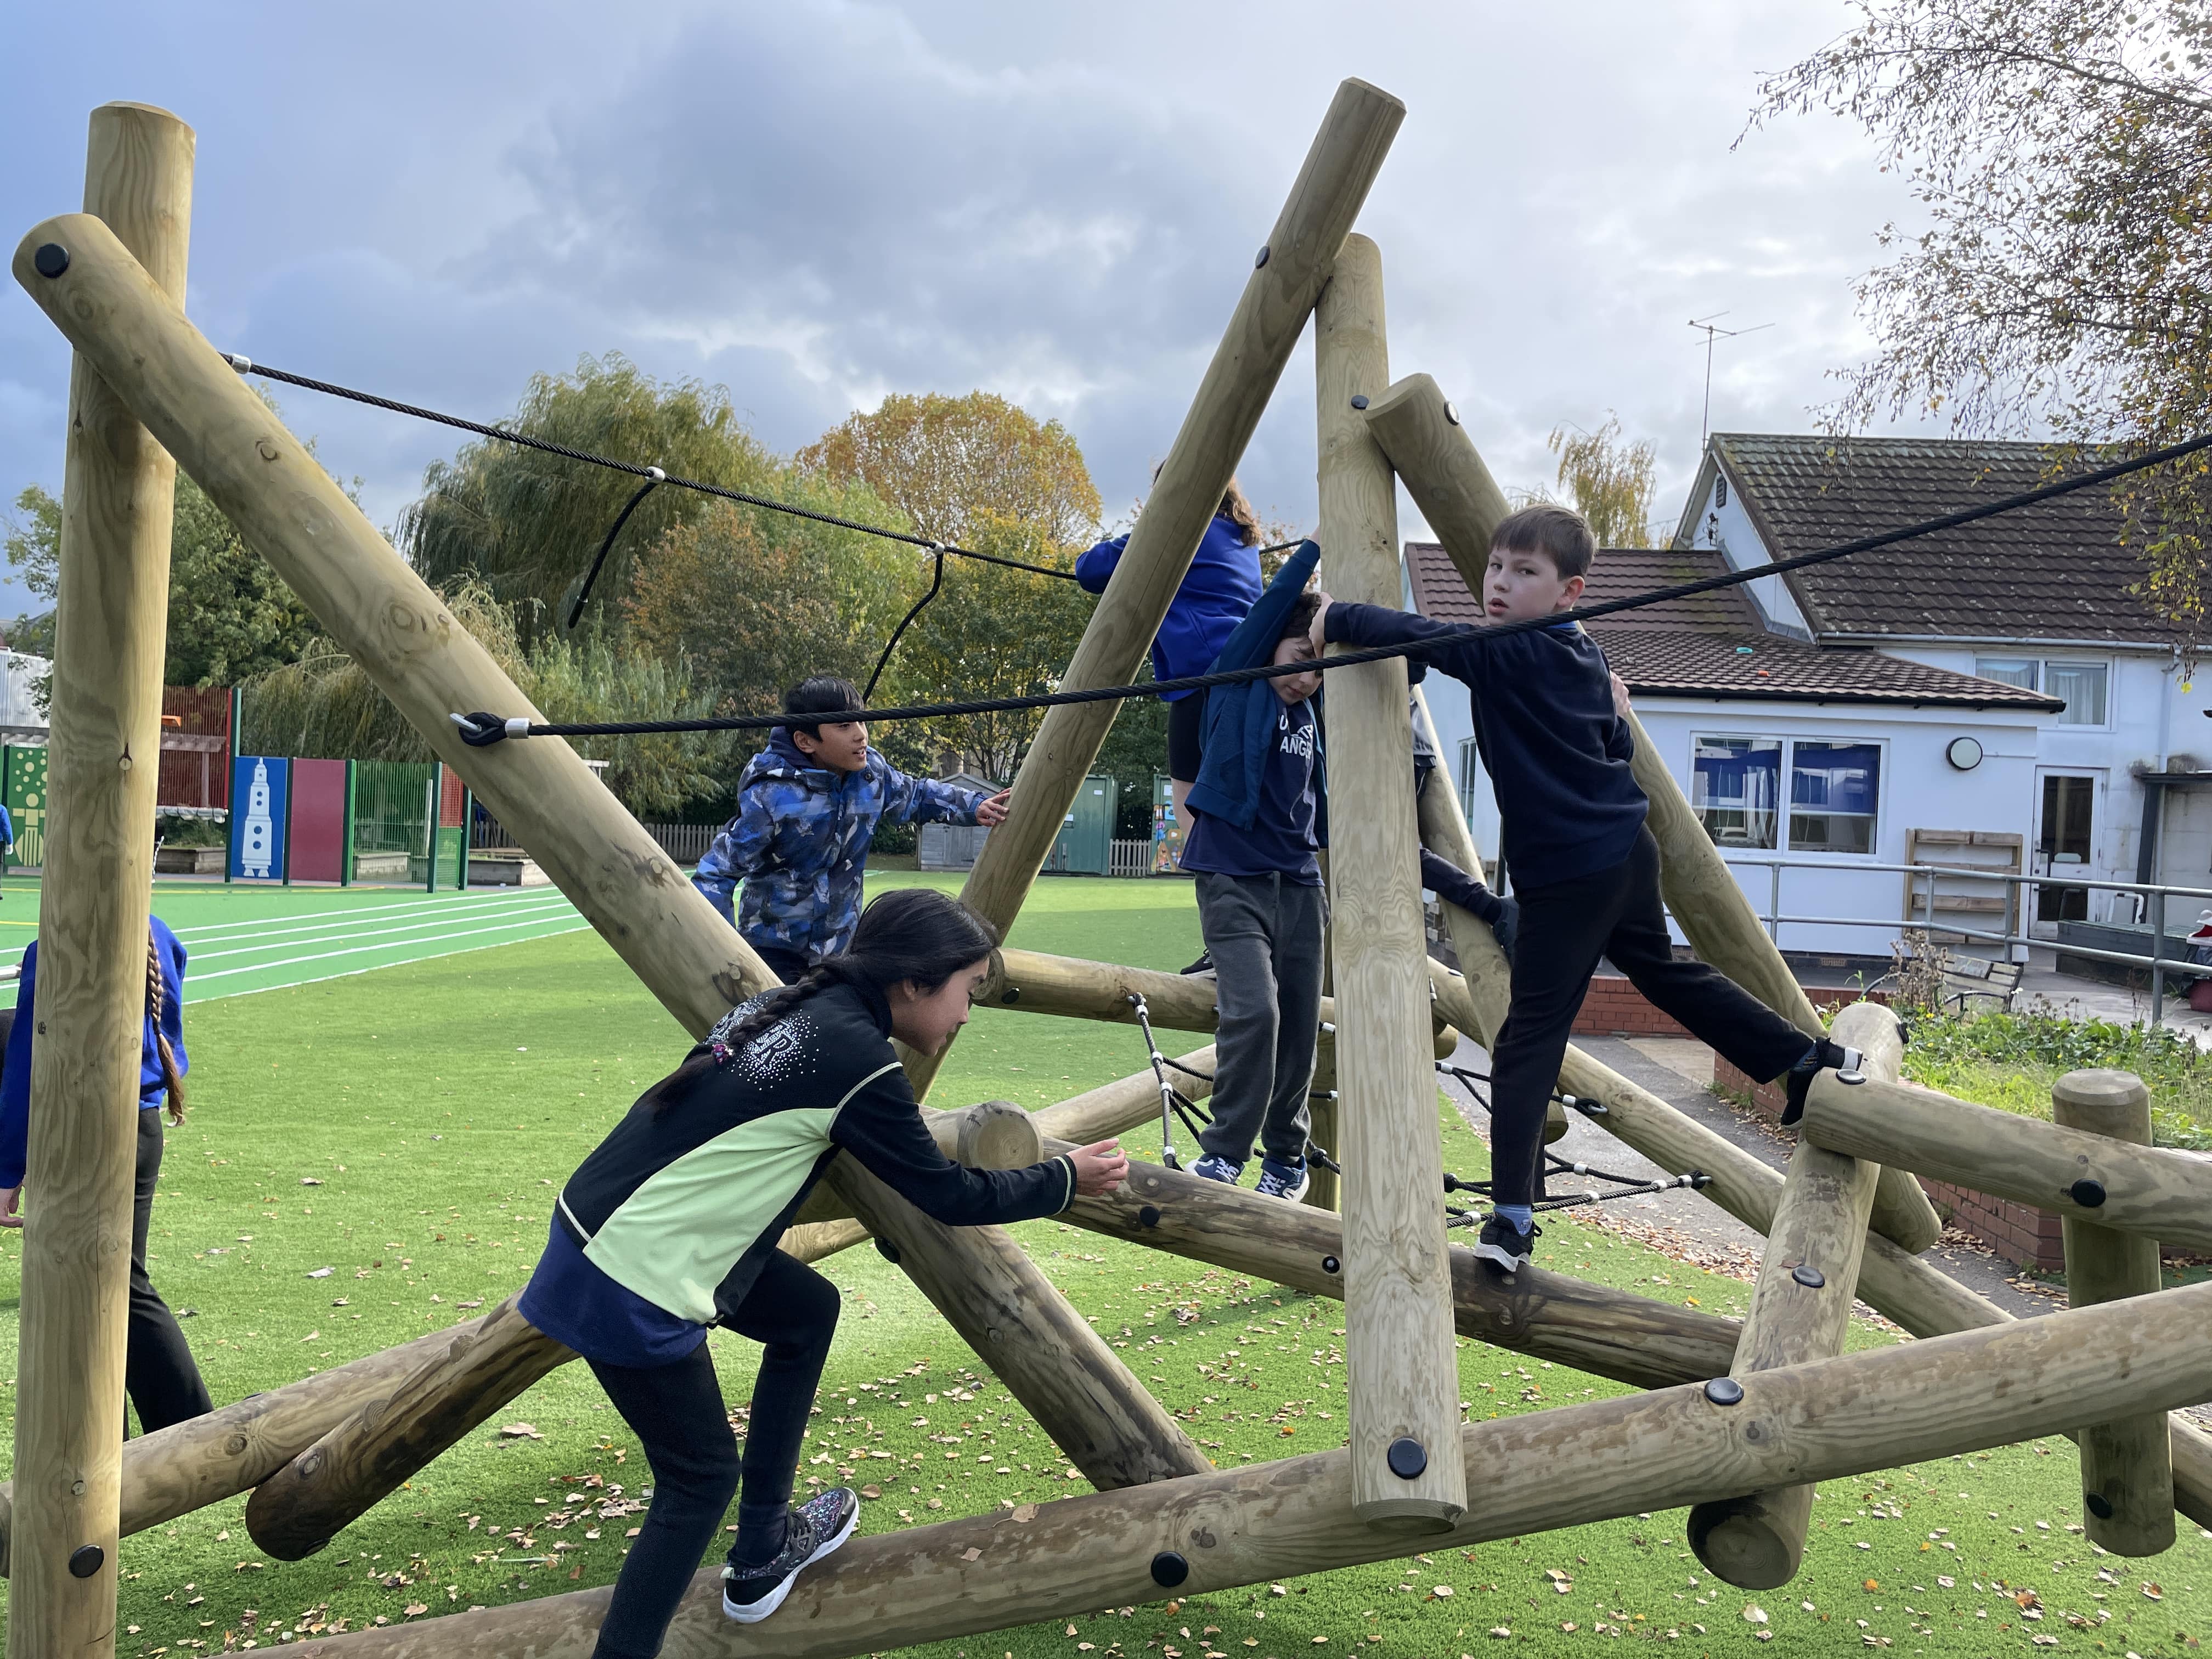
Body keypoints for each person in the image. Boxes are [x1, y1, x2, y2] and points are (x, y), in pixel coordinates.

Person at [517, 888, 1128, 1657]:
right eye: (967, 991)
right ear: (912, 983)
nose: (968, 1014)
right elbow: (946, 1194)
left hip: (597, 1227)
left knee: (806, 1312)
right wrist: (1065, 1179)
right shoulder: (857, 1058)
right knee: (699, 1480)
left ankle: (766, 1544)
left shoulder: (804, 1011)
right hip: (625, 1272)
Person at [1311, 504, 1854, 1273]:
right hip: (1624, 853)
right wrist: (1623, 715)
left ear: (1570, 591)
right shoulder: (1584, 654)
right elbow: (1614, 742)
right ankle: (1804, 1057)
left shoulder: (1513, 649)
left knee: (1528, 1039)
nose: (1500, 583)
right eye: (1496, 567)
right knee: (1664, 974)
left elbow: (1417, 635)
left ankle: (1511, 1219)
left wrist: (1337, 615)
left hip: (1572, 873)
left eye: (1524, 573)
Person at [0, 915, 213, 1431]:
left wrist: (9, 1168)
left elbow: (28, 1063)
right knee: (112, 1282)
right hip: (140, 1125)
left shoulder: (52, 948)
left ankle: (188, 1426)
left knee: (100, 1286)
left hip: (80, 1133)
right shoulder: (163, 933)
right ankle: (123, 1434)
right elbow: (170, 1036)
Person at [1179, 539, 1329, 1201]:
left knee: (1300, 1022)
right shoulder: (1238, 678)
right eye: (1300, 658)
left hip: (1299, 883)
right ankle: (1224, 1153)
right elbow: (1271, 608)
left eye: (1319, 670)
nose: (1305, 677)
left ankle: (1287, 1157)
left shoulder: (1316, 714)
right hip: (1232, 875)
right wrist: (1316, 551)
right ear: (1272, 645)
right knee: (1257, 1014)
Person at [691, 676, 1011, 983]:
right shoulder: (772, 795)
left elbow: (915, 795)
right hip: (774, 952)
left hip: (840, 951)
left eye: (861, 721)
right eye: (844, 726)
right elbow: (716, 874)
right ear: (805, 741)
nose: (861, 735)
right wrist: (727, 951)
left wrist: (974, 806)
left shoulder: (871, 774)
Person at [1077, 477, 1266, 843]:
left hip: (1202, 677)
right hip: (1251, 671)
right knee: (1241, 789)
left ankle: (1218, 877)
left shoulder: (1180, 530)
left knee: (1186, 797)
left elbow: (1089, 570)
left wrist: (1152, 519)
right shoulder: (1243, 539)